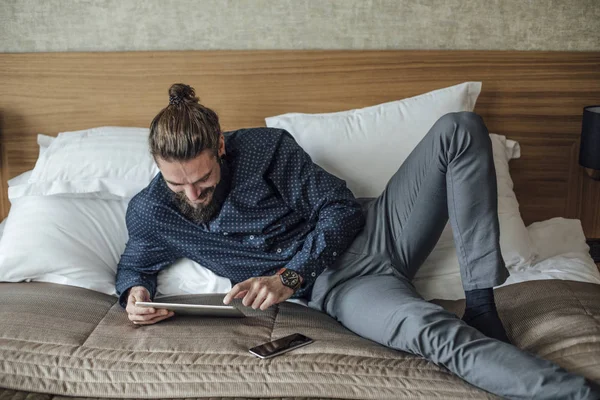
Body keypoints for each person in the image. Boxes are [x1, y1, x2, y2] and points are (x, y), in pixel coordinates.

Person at [116, 83, 600, 399]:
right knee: (433, 334)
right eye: (178, 185)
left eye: (202, 180)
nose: (194, 195)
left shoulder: (266, 148)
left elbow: (340, 209)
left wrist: (288, 276)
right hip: (343, 286)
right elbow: (135, 265)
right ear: (158, 166)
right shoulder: (152, 211)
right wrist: (133, 295)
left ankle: (480, 302)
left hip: (380, 229)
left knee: (460, 128)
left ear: (219, 145)